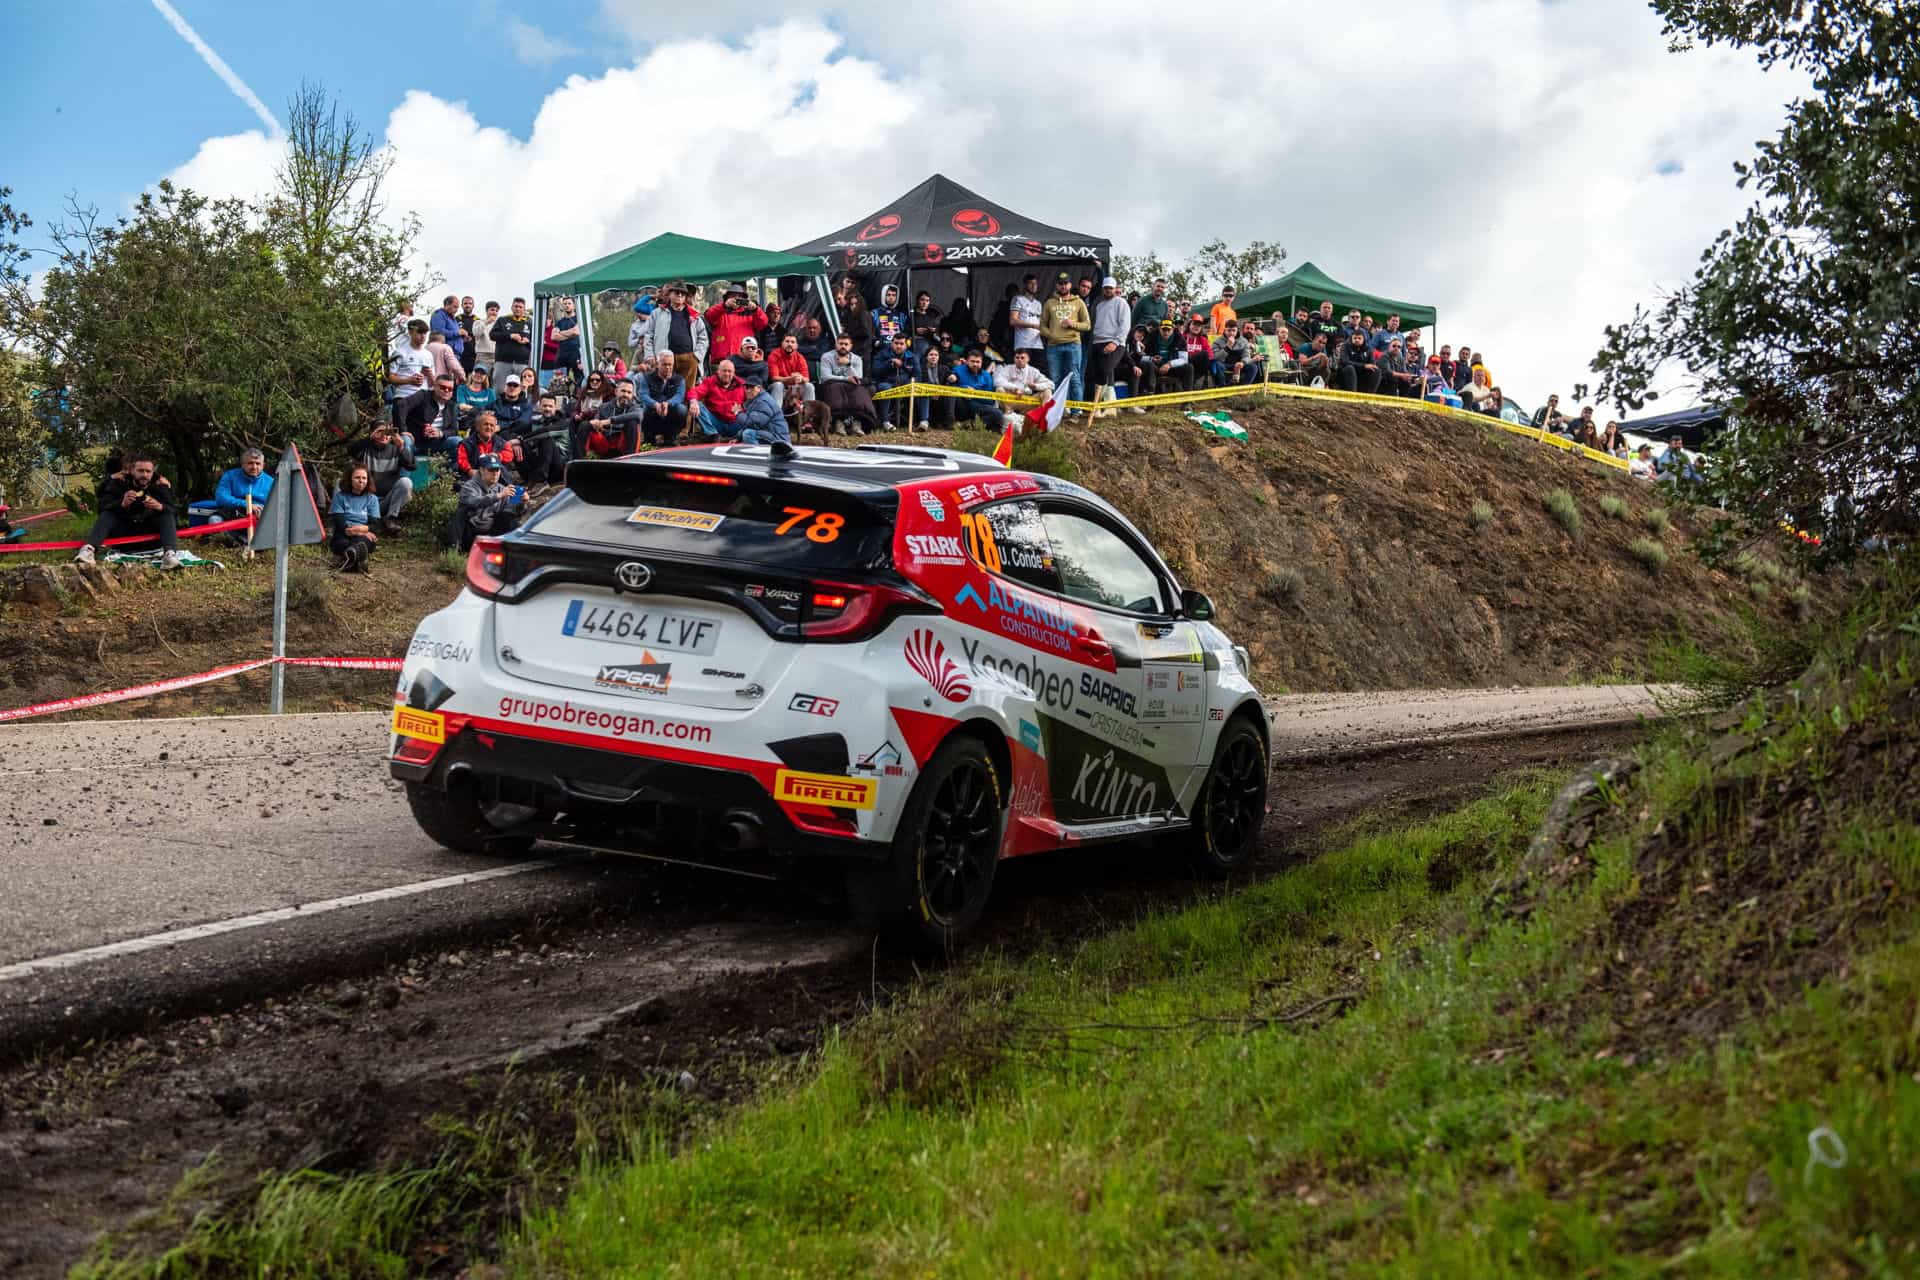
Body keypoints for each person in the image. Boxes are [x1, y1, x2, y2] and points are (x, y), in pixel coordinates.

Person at [75, 452, 179, 568]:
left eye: (148, 471)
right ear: (132, 471)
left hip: (151, 536)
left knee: (166, 513)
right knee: (108, 514)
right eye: (140, 471)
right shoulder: (119, 483)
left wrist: (160, 506)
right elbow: (102, 507)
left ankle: (170, 555)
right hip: (124, 535)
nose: (144, 475)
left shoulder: (159, 485)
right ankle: (88, 550)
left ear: (152, 472)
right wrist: (121, 504)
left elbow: (174, 510)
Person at [1037, 271, 1091, 412]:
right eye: (1060, 284)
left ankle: (1076, 411)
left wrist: (1072, 324)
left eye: (1066, 283)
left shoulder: (1078, 302)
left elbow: (1087, 325)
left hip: (1073, 344)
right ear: (1056, 285)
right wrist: (1051, 335)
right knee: (1055, 379)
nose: (1063, 286)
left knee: (1074, 378)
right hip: (1053, 346)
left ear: (1070, 285)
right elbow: (1042, 325)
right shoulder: (1049, 303)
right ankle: (1056, 412)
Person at [346, 422, 416, 531]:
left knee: (406, 482)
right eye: (380, 432)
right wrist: (370, 439)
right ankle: (343, 519)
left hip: (385, 502)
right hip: (365, 502)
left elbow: (412, 466)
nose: (384, 435)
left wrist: (402, 447)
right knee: (339, 483)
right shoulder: (365, 449)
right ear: (372, 434)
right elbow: (351, 450)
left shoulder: (395, 450)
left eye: (388, 432)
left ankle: (390, 519)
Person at [644, 282, 708, 388]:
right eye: (677, 292)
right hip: (665, 359)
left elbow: (703, 337)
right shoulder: (657, 313)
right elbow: (648, 335)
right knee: (663, 389)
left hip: (688, 359)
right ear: (669, 294)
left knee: (687, 392)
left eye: (683, 293)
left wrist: (696, 356)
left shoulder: (694, 315)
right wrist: (650, 355)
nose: (680, 295)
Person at [455, 455, 524, 551]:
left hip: (490, 531)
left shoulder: (501, 488)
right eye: (491, 470)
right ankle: (454, 549)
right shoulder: (469, 486)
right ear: (482, 470)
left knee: (511, 519)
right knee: (460, 513)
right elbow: (476, 502)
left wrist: (521, 501)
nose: (495, 473)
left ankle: (512, 551)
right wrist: (497, 496)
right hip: (470, 532)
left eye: (498, 470)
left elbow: (510, 512)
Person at [818, 333, 880, 435]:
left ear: (851, 346)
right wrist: (846, 378)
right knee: (835, 389)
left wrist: (848, 365)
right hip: (832, 385)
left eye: (846, 344)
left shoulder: (856, 359)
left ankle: (857, 423)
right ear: (836, 344)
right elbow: (825, 377)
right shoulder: (827, 356)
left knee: (860, 390)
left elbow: (858, 378)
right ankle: (838, 423)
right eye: (840, 343)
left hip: (851, 386)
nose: (843, 346)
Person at [327, 464, 381, 573]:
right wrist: (363, 531)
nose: (361, 481)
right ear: (349, 479)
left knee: (363, 543)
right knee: (341, 543)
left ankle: (348, 559)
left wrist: (361, 531)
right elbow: (340, 523)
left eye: (364, 478)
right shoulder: (340, 497)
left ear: (368, 480)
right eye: (357, 477)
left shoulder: (372, 499)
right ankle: (359, 561)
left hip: (363, 538)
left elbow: (375, 526)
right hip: (343, 534)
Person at [1087, 276, 1131, 406]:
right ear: (1102, 289)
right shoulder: (1099, 305)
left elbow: (1125, 325)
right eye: (1106, 288)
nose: (1108, 291)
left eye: (1110, 288)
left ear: (1115, 288)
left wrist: (1116, 342)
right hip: (1097, 342)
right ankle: (1110, 406)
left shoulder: (1121, 303)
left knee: (1105, 371)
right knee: (1099, 373)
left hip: (1114, 342)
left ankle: (1099, 404)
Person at [705, 282, 767, 368]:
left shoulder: (750, 314)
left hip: (744, 360)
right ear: (727, 298)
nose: (736, 298)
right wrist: (724, 305)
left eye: (739, 296)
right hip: (721, 360)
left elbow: (763, 323)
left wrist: (756, 309)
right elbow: (709, 316)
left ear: (744, 299)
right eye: (732, 296)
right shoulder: (720, 312)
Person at [398, 373, 462, 454]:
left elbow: (454, 430)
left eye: (450, 389)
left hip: (437, 443)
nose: (446, 391)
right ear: (435, 386)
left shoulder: (452, 406)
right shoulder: (423, 395)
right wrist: (403, 430)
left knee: (457, 441)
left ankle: (453, 467)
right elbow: (401, 405)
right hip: (415, 441)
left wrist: (439, 433)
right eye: (443, 387)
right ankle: (407, 466)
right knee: (405, 440)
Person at [582, 379, 647, 457]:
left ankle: (632, 459)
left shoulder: (636, 407)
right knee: (586, 425)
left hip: (623, 443)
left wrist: (610, 421)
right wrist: (596, 424)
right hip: (604, 443)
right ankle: (578, 460)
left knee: (633, 423)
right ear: (616, 391)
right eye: (623, 391)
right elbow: (597, 421)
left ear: (632, 395)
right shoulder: (604, 406)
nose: (626, 394)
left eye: (629, 392)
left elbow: (638, 415)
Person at [945, 348, 1006, 431]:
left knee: (998, 414)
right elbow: (950, 386)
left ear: (981, 362)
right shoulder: (958, 369)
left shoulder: (986, 376)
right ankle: (950, 420)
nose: (975, 364)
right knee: (951, 384)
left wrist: (975, 394)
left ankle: (968, 425)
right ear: (967, 361)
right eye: (972, 361)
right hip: (961, 403)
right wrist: (964, 390)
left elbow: (990, 400)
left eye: (978, 362)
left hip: (978, 406)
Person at [518, 392, 572, 484]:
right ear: (540, 407)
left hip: (558, 467)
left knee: (546, 438)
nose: (547, 409)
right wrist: (517, 441)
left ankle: (540, 480)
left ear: (556, 407)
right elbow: (515, 430)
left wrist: (521, 439)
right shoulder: (535, 422)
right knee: (518, 445)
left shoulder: (563, 422)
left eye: (550, 406)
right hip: (540, 463)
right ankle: (528, 479)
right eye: (544, 406)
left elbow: (547, 431)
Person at [636, 351, 688, 447]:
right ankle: (649, 439)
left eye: (670, 365)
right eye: (664, 364)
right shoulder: (646, 378)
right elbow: (643, 395)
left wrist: (668, 404)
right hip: (652, 413)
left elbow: (679, 396)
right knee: (643, 409)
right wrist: (655, 404)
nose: (668, 367)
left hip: (670, 413)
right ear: (657, 364)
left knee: (682, 409)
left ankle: (671, 438)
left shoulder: (679, 379)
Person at [872, 332, 922, 430]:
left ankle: (922, 421)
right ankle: (885, 421)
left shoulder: (912, 356)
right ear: (891, 343)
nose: (898, 346)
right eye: (896, 343)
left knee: (921, 388)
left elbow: (918, 375)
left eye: (901, 343)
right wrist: (889, 364)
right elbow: (875, 372)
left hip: (905, 385)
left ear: (906, 345)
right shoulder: (882, 354)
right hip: (887, 383)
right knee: (885, 387)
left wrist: (903, 365)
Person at [386, 318, 433, 420]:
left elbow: (433, 383)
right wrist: (409, 380)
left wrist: (430, 375)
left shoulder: (428, 354)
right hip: (403, 397)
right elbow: (390, 378)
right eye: (420, 332)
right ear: (411, 332)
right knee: (403, 433)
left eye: (425, 333)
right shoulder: (400, 352)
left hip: (423, 400)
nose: (423, 336)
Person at [689, 359, 748, 438]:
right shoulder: (709, 382)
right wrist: (693, 402)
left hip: (736, 424)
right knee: (697, 404)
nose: (727, 374)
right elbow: (694, 391)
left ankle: (739, 436)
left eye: (730, 371)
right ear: (718, 371)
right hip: (716, 423)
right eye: (724, 371)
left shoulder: (742, 385)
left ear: (734, 373)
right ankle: (712, 435)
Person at [213, 447, 274, 522]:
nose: (254, 467)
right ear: (242, 464)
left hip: (260, 519)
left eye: (258, 463)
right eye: (250, 463)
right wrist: (247, 505)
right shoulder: (230, 476)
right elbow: (221, 498)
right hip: (233, 515)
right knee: (214, 520)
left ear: (263, 465)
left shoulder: (271, 482)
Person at [731, 379, 790, 445]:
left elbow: (753, 424)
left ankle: (758, 454)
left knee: (748, 434)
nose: (748, 390)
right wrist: (737, 437)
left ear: (759, 388)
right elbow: (752, 424)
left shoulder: (762, 402)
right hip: (772, 435)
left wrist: (738, 413)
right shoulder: (755, 400)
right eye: (746, 388)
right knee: (748, 433)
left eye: (752, 387)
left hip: (780, 439)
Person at [489, 298, 534, 379]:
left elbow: (535, 341)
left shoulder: (529, 323)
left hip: (522, 363)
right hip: (503, 362)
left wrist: (528, 341)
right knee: (499, 389)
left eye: (520, 307)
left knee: (521, 389)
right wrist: (510, 336)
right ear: (512, 307)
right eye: (516, 306)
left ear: (524, 309)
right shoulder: (502, 320)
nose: (518, 309)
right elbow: (492, 335)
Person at [768, 332, 815, 406]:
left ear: (796, 346)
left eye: (792, 342)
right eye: (787, 341)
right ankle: (777, 415)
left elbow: (807, 379)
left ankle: (808, 413)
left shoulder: (800, 357)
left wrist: (801, 378)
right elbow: (774, 378)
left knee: (809, 386)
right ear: (782, 343)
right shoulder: (774, 355)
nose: (789, 344)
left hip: (795, 388)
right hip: (780, 388)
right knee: (778, 385)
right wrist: (791, 378)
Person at [1008, 273, 1045, 367]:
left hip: (1037, 344)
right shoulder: (1017, 299)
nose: (1033, 286)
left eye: (1035, 283)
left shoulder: (1038, 304)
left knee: (1039, 372)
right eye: (1030, 283)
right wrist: (1033, 326)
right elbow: (1013, 320)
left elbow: (1040, 322)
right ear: (1025, 285)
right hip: (1023, 344)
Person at [1148, 318, 1192, 391]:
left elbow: (1184, 359)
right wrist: (1151, 359)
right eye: (1164, 329)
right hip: (1155, 367)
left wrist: (1170, 364)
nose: (1166, 332)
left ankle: (1188, 396)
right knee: (1148, 365)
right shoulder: (1152, 336)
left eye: (1169, 330)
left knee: (1189, 367)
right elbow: (1142, 356)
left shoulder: (1179, 338)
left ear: (1173, 329)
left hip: (1171, 368)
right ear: (1159, 328)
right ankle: (1150, 392)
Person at [491, 372, 535, 439]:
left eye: (515, 385)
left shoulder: (527, 407)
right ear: (504, 387)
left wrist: (501, 426)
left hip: (517, 438)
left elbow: (523, 423)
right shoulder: (495, 404)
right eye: (509, 385)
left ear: (520, 388)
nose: (512, 387)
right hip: (495, 437)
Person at [1336, 330, 1381, 395]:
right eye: (1355, 338)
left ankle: (1369, 395)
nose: (1357, 340)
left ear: (1363, 340)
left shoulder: (1368, 349)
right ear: (1351, 339)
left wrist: (1368, 366)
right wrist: (1364, 366)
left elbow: (1372, 364)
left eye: (1359, 338)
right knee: (1350, 368)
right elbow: (1344, 361)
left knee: (1376, 370)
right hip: (1345, 375)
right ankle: (1353, 394)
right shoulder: (1345, 346)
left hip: (1361, 375)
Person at [731, 336, 774, 401]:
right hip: (736, 389)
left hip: (756, 390)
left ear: (757, 350)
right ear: (742, 349)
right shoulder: (732, 360)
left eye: (753, 348)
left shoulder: (763, 364)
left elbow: (762, 381)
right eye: (747, 347)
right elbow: (730, 377)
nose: (750, 349)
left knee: (778, 385)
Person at [871, 284, 908, 352]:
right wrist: (876, 342)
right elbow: (870, 332)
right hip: (880, 351)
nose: (891, 297)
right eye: (888, 295)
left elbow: (906, 333)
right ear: (883, 295)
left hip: (898, 351)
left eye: (894, 295)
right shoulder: (874, 313)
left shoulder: (902, 315)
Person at [431, 294, 466, 362]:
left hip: (455, 355)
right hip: (446, 354)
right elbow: (438, 332)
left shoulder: (452, 317)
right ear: (447, 304)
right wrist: (457, 332)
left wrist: (462, 338)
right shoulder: (438, 315)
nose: (456, 310)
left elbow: (453, 335)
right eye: (455, 307)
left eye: (457, 307)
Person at [909, 290, 943, 355]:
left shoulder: (931, 316)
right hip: (918, 341)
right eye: (922, 300)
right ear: (917, 301)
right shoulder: (911, 314)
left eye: (927, 301)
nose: (925, 303)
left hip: (931, 341)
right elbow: (905, 329)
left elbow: (936, 330)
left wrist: (933, 331)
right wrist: (915, 331)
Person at [472, 301, 499, 375]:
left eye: (496, 311)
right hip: (482, 355)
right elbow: (476, 333)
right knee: (480, 376)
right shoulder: (478, 322)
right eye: (492, 310)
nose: (494, 312)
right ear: (486, 311)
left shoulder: (499, 324)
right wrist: (487, 322)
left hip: (496, 355)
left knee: (494, 379)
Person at [455, 296, 479, 374]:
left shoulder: (478, 320)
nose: (467, 305)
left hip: (473, 355)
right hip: (459, 355)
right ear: (461, 305)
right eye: (465, 303)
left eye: (470, 303)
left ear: (473, 305)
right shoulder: (456, 319)